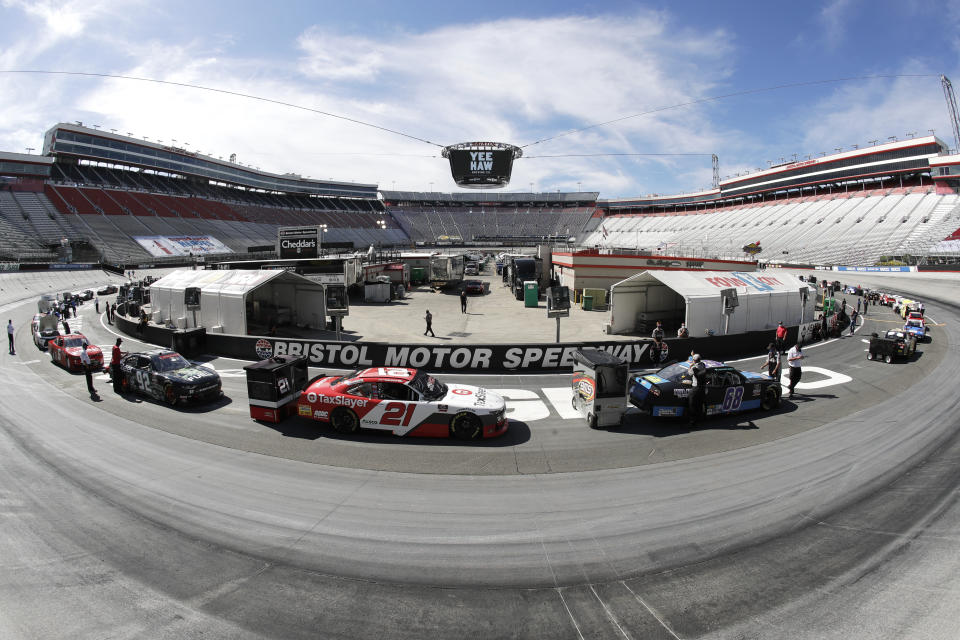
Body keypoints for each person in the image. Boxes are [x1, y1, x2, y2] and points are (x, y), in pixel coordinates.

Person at [685, 354, 706, 426]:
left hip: (696, 388)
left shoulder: (694, 367)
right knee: (699, 404)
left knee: (691, 404)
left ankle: (692, 421)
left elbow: (688, 373)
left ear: (694, 361)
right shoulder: (703, 364)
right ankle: (700, 420)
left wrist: (691, 365)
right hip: (702, 388)